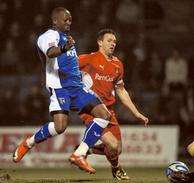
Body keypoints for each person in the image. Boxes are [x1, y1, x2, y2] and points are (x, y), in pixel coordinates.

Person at [12, 7, 112, 174]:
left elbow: (69, 62)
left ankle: (79, 154)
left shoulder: (67, 38)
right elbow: (51, 53)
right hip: (61, 88)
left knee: (104, 115)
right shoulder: (48, 36)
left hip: (77, 88)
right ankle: (28, 143)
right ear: (55, 21)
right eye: (65, 20)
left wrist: (80, 74)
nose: (68, 22)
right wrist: (65, 47)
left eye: (70, 20)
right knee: (60, 127)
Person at [78, 28, 149, 180]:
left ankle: (87, 148)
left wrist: (136, 113)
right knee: (112, 145)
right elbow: (67, 68)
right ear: (100, 42)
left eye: (114, 41)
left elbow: (121, 91)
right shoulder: (88, 59)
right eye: (109, 40)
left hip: (109, 111)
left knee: (118, 149)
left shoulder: (117, 64)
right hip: (92, 109)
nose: (113, 44)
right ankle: (116, 169)